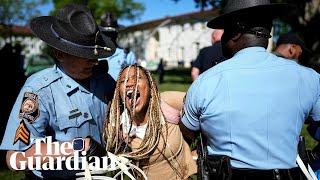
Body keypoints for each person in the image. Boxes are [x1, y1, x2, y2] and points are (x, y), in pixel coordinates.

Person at [179, 0, 320, 179]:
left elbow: (185, 133)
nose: (222, 38)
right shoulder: (310, 78)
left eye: (225, 30)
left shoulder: (205, 82)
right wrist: (313, 158)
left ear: (236, 32)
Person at [0, 3, 116, 179]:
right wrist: (78, 146)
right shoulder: (38, 91)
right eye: (84, 55)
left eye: (95, 54)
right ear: (60, 54)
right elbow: (15, 159)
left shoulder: (103, 81)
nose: (94, 61)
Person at [103, 64, 197, 180]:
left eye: (137, 78)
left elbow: (205, 104)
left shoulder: (166, 103)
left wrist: (204, 146)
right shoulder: (119, 127)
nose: (130, 83)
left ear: (150, 86)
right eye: (123, 81)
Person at [99, 12, 137, 80]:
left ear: (117, 34)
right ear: (101, 34)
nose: (109, 37)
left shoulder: (127, 54)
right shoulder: (94, 53)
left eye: (112, 34)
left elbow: (134, 76)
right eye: (106, 34)